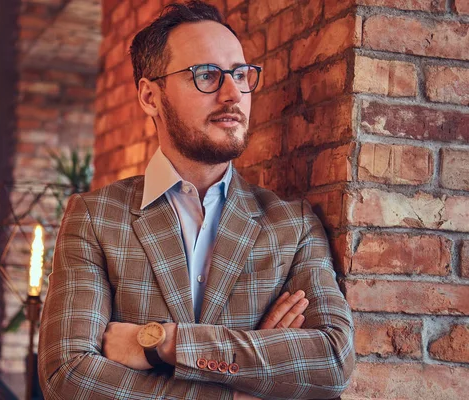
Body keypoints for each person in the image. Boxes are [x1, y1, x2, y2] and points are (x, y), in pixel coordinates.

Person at [38, 1, 355, 399]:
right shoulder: (95, 217)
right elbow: (67, 375)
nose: (232, 93)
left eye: (240, 74)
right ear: (150, 97)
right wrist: (240, 384)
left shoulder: (293, 225)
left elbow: (332, 361)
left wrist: (163, 344)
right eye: (206, 75)